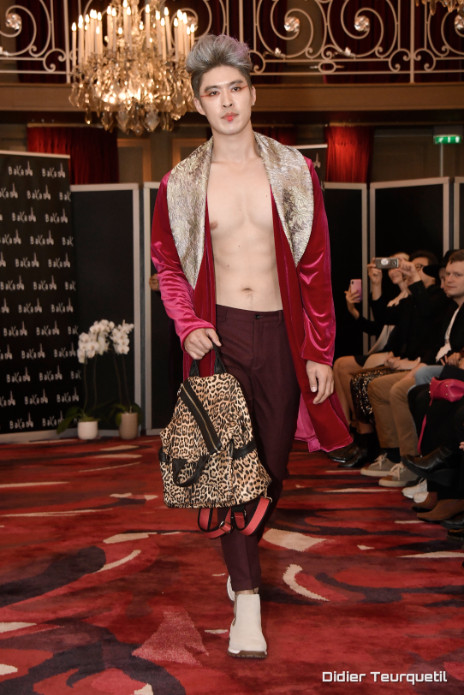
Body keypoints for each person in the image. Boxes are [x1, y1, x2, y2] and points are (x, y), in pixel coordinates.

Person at [151, 33, 350, 659]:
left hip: (283, 335)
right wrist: (188, 323)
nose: (227, 102)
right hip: (221, 336)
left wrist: (318, 350)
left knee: (270, 471)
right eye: (213, 93)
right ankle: (247, 596)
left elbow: (316, 268)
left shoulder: (294, 171)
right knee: (229, 468)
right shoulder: (182, 183)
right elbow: (168, 266)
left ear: (253, 93)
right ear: (199, 104)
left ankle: (242, 567)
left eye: (235, 88)